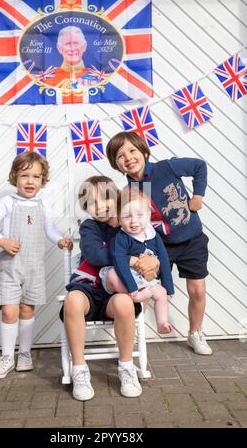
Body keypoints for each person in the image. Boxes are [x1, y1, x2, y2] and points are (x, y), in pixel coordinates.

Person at [106, 132, 213, 355]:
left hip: (192, 239)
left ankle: (195, 332)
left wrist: (198, 196)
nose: (128, 158)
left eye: (132, 151)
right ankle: (131, 340)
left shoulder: (166, 168)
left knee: (198, 290)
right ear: (116, 164)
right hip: (158, 245)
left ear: (143, 151)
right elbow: (126, 216)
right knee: (141, 289)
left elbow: (199, 166)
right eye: (120, 156)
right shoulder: (129, 191)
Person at [60, 176, 159, 401]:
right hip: (91, 289)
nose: (101, 206)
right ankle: (79, 369)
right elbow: (95, 255)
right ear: (86, 208)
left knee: (125, 302)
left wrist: (154, 262)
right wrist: (132, 260)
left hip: (116, 293)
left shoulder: (130, 223)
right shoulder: (90, 227)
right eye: (92, 202)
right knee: (72, 300)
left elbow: (152, 249)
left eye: (106, 198)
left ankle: (126, 367)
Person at [0, 151, 73, 379]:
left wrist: (60, 240)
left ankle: (24, 354)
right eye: (24, 176)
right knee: (9, 309)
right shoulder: (7, 202)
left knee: (26, 309)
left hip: (34, 267)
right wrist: (1, 240)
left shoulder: (42, 205)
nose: (30, 181)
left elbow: (50, 229)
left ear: (43, 180)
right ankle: (6, 357)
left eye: (36, 176)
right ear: (15, 177)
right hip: (11, 267)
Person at [99, 186, 173, 334]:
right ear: (119, 219)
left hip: (143, 279)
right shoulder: (120, 238)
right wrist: (132, 287)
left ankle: (162, 322)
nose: (134, 221)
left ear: (149, 216)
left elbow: (164, 258)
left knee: (162, 292)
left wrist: (168, 285)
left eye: (140, 215)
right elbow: (119, 262)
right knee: (112, 274)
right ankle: (137, 296)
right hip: (124, 277)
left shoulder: (153, 235)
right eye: (127, 216)